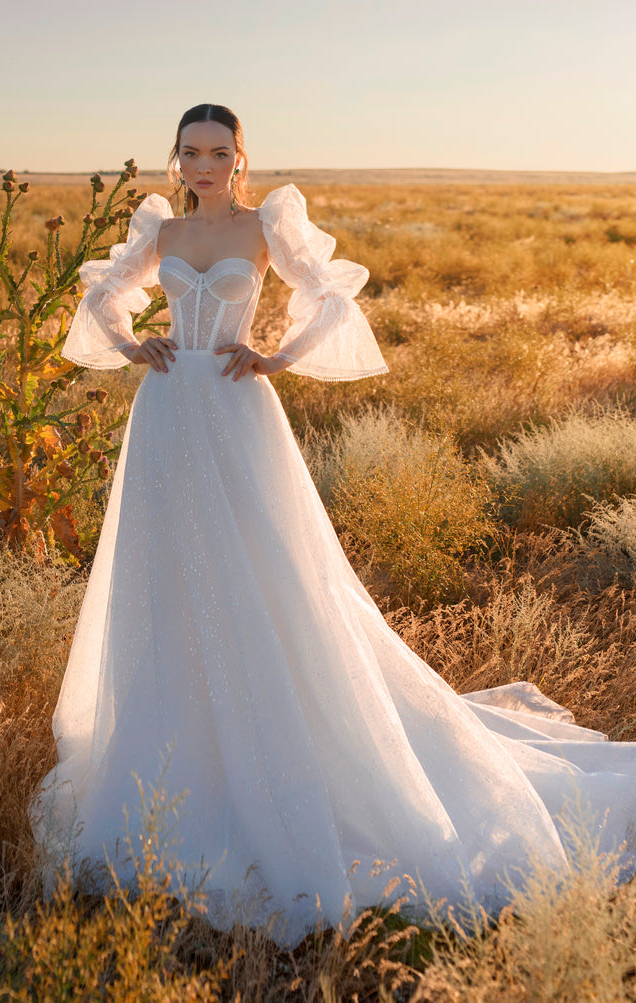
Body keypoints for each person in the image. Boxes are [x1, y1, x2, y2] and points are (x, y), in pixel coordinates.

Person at [31, 103, 636, 946]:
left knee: (271, 577)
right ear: (175, 159)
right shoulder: (160, 235)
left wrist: (276, 355)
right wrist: (135, 347)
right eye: (190, 152)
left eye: (218, 152)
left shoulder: (264, 227)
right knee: (166, 578)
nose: (202, 165)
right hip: (168, 416)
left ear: (241, 158)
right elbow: (99, 299)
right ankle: (180, 748)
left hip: (241, 415)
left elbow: (333, 299)